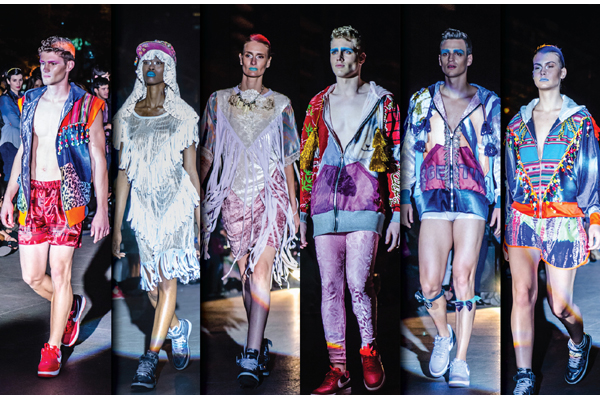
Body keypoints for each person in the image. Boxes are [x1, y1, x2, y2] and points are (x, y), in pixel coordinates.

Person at [299, 25, 401, 395]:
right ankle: (337, 367)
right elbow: (307, 160)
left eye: (347, 50)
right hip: (324, 205)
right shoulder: (317, 104)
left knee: (359, 283)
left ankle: (369, 351)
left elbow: (394, 157)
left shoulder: (382, 102)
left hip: (366, 201)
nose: (339, 57)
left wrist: (396, 209)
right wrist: (302, 212)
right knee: (329, 286)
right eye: (334, 51)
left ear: (361, 57)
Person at [0, 36, 109, 377]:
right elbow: (24, 150)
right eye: (42, 62)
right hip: (32, 195)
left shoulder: (88, 105)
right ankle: (71, 306)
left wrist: (102, 210)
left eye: (52, 63)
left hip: (67, 195)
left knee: (61, 273)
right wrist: (9, 195)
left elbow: (98, 159)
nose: (44, 68)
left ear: (69, 65)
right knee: (32, 276)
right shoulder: (29, 100)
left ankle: (52, 347)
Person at [400, 28, 501, 388]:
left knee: (462, 278)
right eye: (445, 53)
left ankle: (460, 360)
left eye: (458, 52)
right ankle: (444, 335)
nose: (451, 58)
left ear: (469, 58)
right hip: (432, 194)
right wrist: (404, 195)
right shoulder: (422, 100)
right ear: (439, 59)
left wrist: (500, 200)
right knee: (429, 283)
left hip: (473, 195)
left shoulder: (488, 101)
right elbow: (409, 147)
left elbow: (497, 153)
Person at [200, 33, 300, 389]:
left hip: (271, 193)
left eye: (260, 56)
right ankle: (259, 344)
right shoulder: (219, 101)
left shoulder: (281, 104)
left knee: (261, 271)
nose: (254, 61)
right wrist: (199, 197)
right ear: (240, 58)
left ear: (268, 62)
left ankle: (252, 352)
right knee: (246, 276)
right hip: (233, 195)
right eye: (249, 55)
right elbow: (208, 151)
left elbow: (288, 160)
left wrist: (295, 209)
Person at [505, 44, 600, 395]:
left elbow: (591, 171)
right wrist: (506, 223)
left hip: (564, 220)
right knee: (522, 295)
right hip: (523, 219)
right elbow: (510, 177)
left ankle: (578, 342)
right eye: (537, 66)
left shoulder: (580, 121)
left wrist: (594, 218)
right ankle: (524, 375)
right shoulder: (516, 123)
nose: (542, 71)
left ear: (562, 73)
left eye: (550, 65)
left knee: (559, 305)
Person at [112, 40, 200, 390]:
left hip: (176, 205)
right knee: (151, 289)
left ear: (169, 69)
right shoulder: (128, 116)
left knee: (166, 281)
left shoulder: (183, 115)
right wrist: (117, 227)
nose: (152, 66)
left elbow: (191, 170)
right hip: (144, 209)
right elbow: (123, 174)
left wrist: (199, 219)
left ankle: (149, 358)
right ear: (139, 68)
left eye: (159, 62)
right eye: (146, 61)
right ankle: (177, 328)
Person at [0, 68, 24, 186]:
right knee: (10, 178)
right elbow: (15, 121)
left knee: (20, 178)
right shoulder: (5, 99)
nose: (18, 83)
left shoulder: (23, 97)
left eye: (20, 80)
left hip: (21, 142)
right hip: (9, 142)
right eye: (14, 80)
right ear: (8, 81)